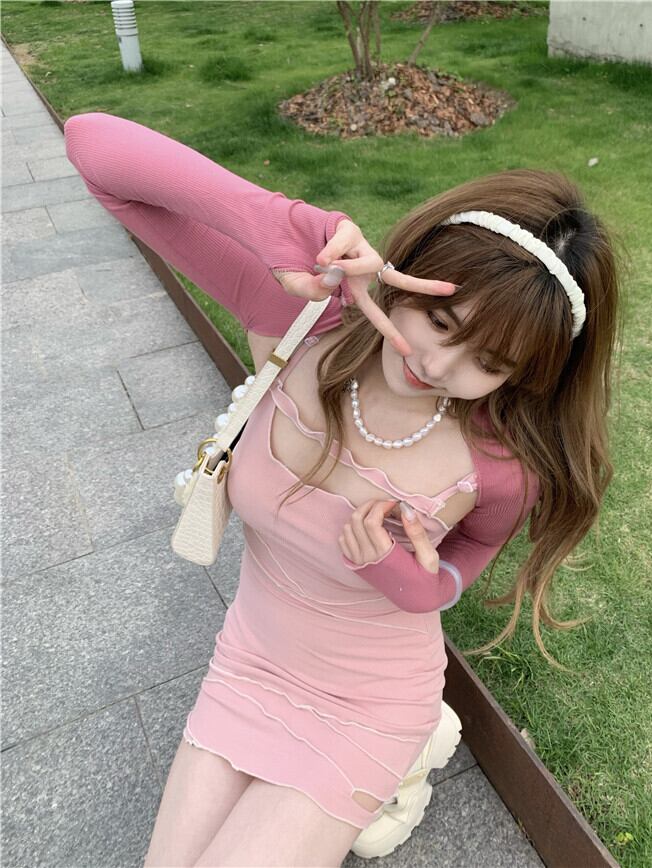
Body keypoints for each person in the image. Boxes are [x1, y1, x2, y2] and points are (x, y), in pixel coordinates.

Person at [64, 111, 621, 868]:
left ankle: (405, 760)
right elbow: (95, 151)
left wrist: (408, 578)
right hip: (250, 660)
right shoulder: (303, 322)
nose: (437, 365)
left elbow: (467, 558)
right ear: (406, 269)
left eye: (488, 362)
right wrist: (288, 224)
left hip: (369, 704)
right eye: (440, 319)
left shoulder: (498, 464)